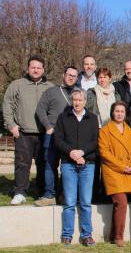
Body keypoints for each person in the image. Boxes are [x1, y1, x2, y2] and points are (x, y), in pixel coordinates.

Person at [3, 55, 54, 205]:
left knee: (44, 163)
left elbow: (55, 109)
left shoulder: (50, 87)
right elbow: (7, 106)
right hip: (23, 132)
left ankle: (42, 191)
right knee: (22, 163)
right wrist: (11, 125)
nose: (36, 70)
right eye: (33, 67)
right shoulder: (17, 85)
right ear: (28, 68)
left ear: (43, 70)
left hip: (45, 133)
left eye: (39, 68)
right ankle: (20, 192)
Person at [54, 89, 99, 246]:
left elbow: (95, 141)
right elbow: (58, 140)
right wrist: (71, 152)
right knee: (69, 202)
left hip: (88, 165)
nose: (77, 103)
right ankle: (67, 235)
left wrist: (82, 152)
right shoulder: (63, 117)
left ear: (85, 101)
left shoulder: (93, 118)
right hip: (68, 165)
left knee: (86, 202)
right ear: (71, 101)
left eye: (80, 100)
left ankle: (87, 235)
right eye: (75, 100)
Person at [34, 66, 78, 206]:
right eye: (69, 74)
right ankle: (49, 194)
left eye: (74, 76)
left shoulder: (79, 94)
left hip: (70, 136)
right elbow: (40, 110)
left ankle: (65, 195)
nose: (71, 77)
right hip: (52, 134)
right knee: (50, 164)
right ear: (63, 75)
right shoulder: (51, 91)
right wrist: (47, 126)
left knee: (68, 166)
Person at [98, 101, 131, 247]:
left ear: (125, 113)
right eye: (117, 111)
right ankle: (119, 237)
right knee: (121, 202)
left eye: (122, 111)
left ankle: (112, 235)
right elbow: (104, 153)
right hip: (112, 171)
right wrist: (122, 167)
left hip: (127, 171)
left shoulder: (130, 131)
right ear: (112, 113)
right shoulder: (105, 130)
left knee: (119, 204)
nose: (119, 113)